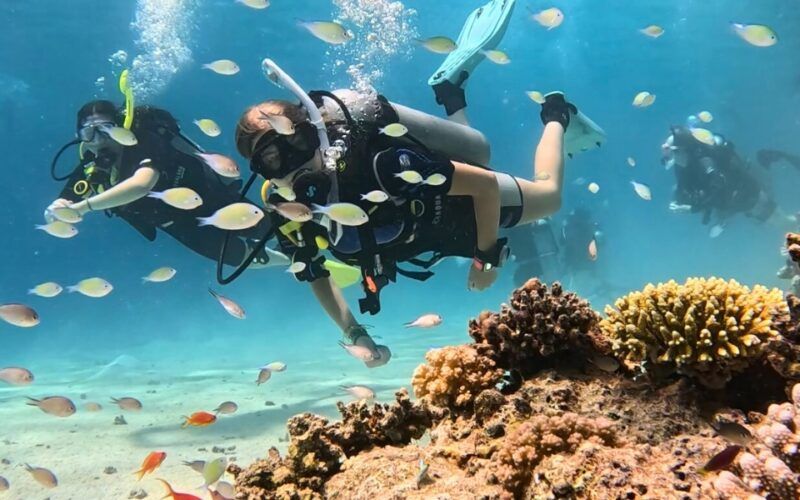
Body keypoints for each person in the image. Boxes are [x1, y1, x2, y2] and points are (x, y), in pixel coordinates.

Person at [233, 0, 603, 367]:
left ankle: (556, 114)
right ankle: (452, 93)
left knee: (545, 195)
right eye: (272, 161)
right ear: (260, 172)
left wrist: (486, 258)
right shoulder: (288, 212)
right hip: (431, 227)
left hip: (462, 207)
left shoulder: (384, 166)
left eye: (298, 144)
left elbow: (485, 187)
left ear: (315, 131)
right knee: (471, 153)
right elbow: (313, 273)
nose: (293, 165)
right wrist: (356, 335)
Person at [47, 98, 287, 271]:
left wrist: (84, 207)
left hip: (207, 195)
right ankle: (290, 262)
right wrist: (55, 210)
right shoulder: (91, 166)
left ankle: (297, 243)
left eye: (106, 129)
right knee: (237, 258)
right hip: (177, 224)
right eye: (89, 133)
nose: (99, 140)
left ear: (120, 126)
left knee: (268, 228)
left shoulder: (144, 142)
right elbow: (64, 203)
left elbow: (142, 184)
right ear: (79, 137)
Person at [662, 123, 776, 226]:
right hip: (730, 202)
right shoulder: (680, 164)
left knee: (776, 219)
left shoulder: (705, 162)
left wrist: (694, 209)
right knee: (759, 219)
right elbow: (684, 187)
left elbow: (718, 187)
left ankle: (784, 223)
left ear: (682, 150)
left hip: (746, 195)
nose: (666, 154)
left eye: (669, 150)